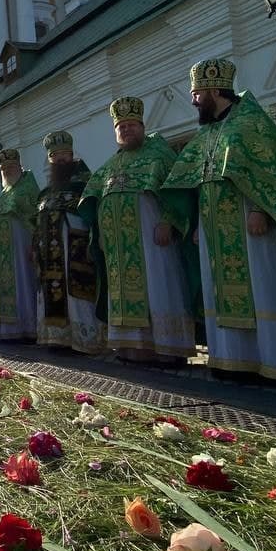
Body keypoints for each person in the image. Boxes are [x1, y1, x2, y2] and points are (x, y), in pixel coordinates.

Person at [161, 58, 276, 382]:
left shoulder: (250, 124)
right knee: (224, 291)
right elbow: (197, 184)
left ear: (214, 90)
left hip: (252, 223)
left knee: (265, 286)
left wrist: (260, 210)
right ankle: (235, 359)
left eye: (196, 94)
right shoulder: (207, 135)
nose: (193, 101)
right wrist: (197, 224)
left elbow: (270, 172)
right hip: (215, 230)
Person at [79, 98, 195, 363]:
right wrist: (100, 235)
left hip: (152, 239)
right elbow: (92, 200)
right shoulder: (109, 166)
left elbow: (177, 189)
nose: (126, 130)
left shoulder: (159, 155)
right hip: (118, 250)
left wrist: (168, 220)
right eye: (121, 126)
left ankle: (166, 348)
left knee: (159, 286)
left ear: (142, 126)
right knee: (123, 293)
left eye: (131, 125)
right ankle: (131, 347)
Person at [34, 131, 104, 354]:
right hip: (49, 253)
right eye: (55, 156)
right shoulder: (45, 193)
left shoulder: (86, 183)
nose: (60, 159)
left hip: (76, 248)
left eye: (65, 154)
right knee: (52, 291)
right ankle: (57, 338)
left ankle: (83, 340)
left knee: (77, 294)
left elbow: (95, 214)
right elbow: (37, 222)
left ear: (72, 155)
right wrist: (34, 246)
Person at [0, 148, 40, 340]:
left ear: (19, 167)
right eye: (3, 169)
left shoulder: (28, 188)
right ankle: (5, 330)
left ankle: (26, 328)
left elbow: (34, 218)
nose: (7, 171)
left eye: (11, 167)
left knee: (23, 284)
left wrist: (35, 244)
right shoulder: (3, 194)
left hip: (20, 251)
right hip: (0, 257)